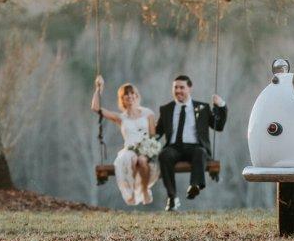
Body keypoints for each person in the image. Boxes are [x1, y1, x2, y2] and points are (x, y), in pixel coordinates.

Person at [157, 75, 227, 211]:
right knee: (164, 155)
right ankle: (172, 197)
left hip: (195, 147)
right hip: (174, 148)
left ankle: (195, 185)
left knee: (200, 152)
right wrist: (144, 145)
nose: (178, 90)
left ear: (189, 88)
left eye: (181, 87)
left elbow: (218, 126)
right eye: (175, 87)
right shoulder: (166, 109)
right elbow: (157, 132)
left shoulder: (203, 108)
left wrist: (221, 106)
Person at [91, 75, 159, 205]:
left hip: (146, 149)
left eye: (132, 93)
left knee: (142, 160)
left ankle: (144, 190)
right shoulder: (120, 118)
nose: (130, 96)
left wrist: (149, 149)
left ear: (136, 96)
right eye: (126, 95)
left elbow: (152, 136)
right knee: (132, 159)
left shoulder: (148, 114)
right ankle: (133, 192)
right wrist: (98, 89)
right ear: (122, 99)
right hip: (129, 149)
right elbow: (95, 108)